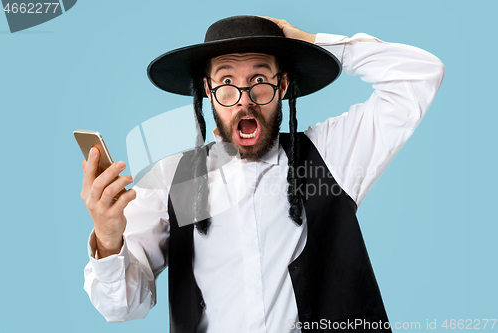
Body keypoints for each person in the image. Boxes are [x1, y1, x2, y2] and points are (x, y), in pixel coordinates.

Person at [81, 15, 444, 333]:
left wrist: (314, 44)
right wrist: (109, 240)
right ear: (208, 92)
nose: (244, 98)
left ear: (282, 86)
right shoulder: (173, 180)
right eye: (226, 81)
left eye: (259, 78)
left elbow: (419, 76)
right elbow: (123, 308)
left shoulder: (334, 154)